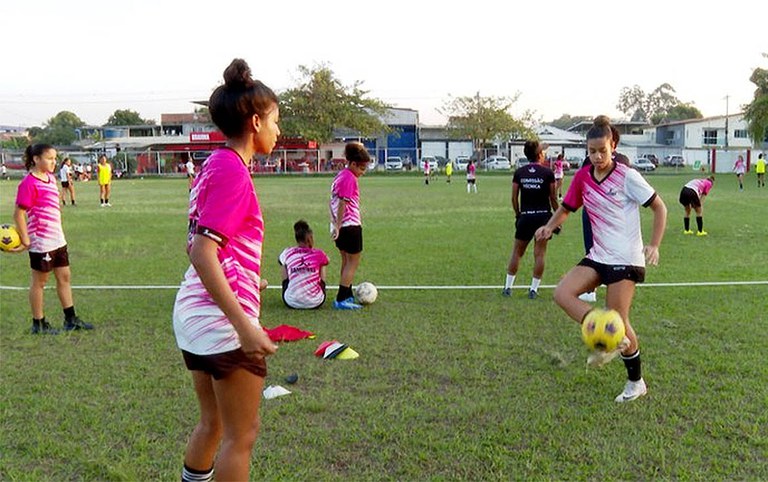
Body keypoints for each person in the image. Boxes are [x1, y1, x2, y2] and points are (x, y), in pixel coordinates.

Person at [172, 58, 280, 482]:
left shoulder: (214, 165)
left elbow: (201, 244)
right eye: (274, 120)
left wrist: (247, 277)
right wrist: (246, 326)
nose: (278, 130)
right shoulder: (233, 171)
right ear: (254, 121)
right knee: (242, 434)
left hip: (195, 316)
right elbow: (202, 250)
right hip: (221, 323)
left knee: (212, 423)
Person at [535, 115, 667, 403]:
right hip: (598, 256)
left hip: (626, 259)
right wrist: (549, 226)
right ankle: (604, 331)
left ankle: (636, 383)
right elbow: (567, 208)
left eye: (602, 151)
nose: (596, 157)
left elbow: (660, 207)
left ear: (614, 146)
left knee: (620, 320)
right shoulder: (583, 177)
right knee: (562, 293)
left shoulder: (627, 176)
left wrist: (654, 245)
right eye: (591, 151)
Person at [12, 144, 94, 334]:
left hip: (58, 239)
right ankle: (38, 324)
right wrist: (25, 240)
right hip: (41, 242)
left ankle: (70, 319)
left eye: (55, 158)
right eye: (49, 158)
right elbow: (18, 214)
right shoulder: (28, 183)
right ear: (36, 159)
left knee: (64, 277)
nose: (53, 162)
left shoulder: (50, 178)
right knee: (39, 282)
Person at [578, 125, 630, 303]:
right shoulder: (624, 159)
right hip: (607, 214)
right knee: (599, 250)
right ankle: (598, 287)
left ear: (612, 143)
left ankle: (594, 289)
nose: (597, 156)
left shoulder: (621, 163)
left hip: (600, 214)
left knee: (595, 249)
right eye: (592, 151)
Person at [502, 140, 558, 299]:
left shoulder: (519, 172)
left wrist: (518, 214)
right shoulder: (548, 173)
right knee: (539, 254)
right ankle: (533, 290)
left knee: (517, 253)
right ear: (540, 155)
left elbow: (514, 197)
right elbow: (553, 198)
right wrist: (557, 219)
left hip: (525, 217)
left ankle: (508, 287)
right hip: (542, 217)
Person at [329, 141, 371, 310]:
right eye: (361, 168)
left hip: (341, 226)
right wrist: (339, 226)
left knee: (346, 262)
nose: (363, 172)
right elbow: (342, 204)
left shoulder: (339, 176)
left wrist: (333, 224)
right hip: (350, 226)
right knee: (352, 263)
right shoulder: (349, 178)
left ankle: (346, 294)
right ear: (352, 163)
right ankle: (341, 299)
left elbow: (330, 202)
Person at [278, 220, 329, 309]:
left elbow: (280, 260)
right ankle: (320, 288)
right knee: (323, 263)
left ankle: (289, 289)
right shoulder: (318, 253)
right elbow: (327, 261)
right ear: (310, 239)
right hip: (315, 302)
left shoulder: (287, 252)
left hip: (291, 302)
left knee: (283, 262)